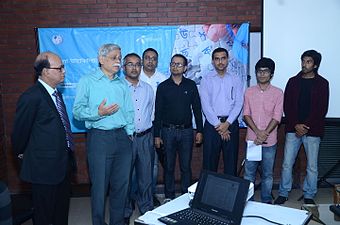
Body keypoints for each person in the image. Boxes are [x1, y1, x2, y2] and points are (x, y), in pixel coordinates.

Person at [11, 51, 76, 225]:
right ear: (45, 71)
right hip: (43, 170)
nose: (64, 71)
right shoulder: (31, 97)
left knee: (60, 213)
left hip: (62, 167)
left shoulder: (56, 94)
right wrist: (25, 158)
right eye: (59, 68)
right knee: (45, 216)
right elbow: (19, 136)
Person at [73, 44, 134, 225]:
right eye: (114, 57)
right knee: (99, 188)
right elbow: (77, 111)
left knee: (121, 187)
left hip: (123, 139)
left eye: (119, 58)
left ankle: (117, 222)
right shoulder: (87, 81)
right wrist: (98, 113)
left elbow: (129, 110)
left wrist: (130, 133)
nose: (118, 62)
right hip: (99, 139)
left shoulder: (122, 82)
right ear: (101, 59)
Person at [274, 50, 329, 205]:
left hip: (313, 130)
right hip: (293, 129)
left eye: (308, 61)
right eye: (303, 61)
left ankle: (309, 194)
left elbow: (322, 108)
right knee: (286, 163)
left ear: (315, 64)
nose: (304, 64)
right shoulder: (293, 81)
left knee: (312, 166)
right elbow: (288, 106)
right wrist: (297, 124)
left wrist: (306, 126)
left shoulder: (323, 83)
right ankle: (284, 193)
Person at [154, 54, 203, 202]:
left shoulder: (191, 85)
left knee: (185, 167)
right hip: (167, 131)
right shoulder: (163, 87)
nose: (175, 66)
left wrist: (199, 130)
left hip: (187, 132)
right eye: (173, 64)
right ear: (170, 66)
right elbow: (158, 112)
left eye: (179, 64)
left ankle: (185, 197)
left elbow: (197, 109)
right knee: (168, 167)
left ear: (185, 68)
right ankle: (169, 196)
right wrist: (157, 135)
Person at [243, 58, 283, 204]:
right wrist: (257, 132)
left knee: (268, 174)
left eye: (265, 71)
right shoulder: (249, 92)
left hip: (269, 140)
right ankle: (248, 200)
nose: (262, 74)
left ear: (271, 74)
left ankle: (266, 200)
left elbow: (277, 116)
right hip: (252, 139)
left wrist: (264, 133)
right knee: (249, 174)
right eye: (259, 71)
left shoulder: (278, 93)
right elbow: (246, 114)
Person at [199, 47, 244, 176]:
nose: (220, 62)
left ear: (227, 60)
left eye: (223, 58)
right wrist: (219, 126)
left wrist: (227, 123)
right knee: (209, 163)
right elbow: (206, 105)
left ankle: (229, 195)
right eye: (217, 59)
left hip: (231, 124)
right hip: (212, 126)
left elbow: (239, 103)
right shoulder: (207, 79)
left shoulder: (235, 78)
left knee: (231, 163)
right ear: (212, 61)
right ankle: (208, 195)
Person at [123, 53, 154, 223]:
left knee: (146, 178)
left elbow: (151, 112)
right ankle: (126, 211)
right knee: (125, 177)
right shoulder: (118, 88)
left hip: (145, 138)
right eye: (130, 64)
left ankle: (147, 210)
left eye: (137, 64)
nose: (134, 67)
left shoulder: (148, 89)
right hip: (125, 139)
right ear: (123, 67)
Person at [140, 48, 167, 207]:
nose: (150, 61)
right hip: (138, 128)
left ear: (157, 61)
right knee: (136, 165)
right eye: (147, 58)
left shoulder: (162, 79)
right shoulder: (136, 77)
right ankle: (136, 194)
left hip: (156, 128)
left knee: (154, 165)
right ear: (143, 60)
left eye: (154, 58)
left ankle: (151, 194)